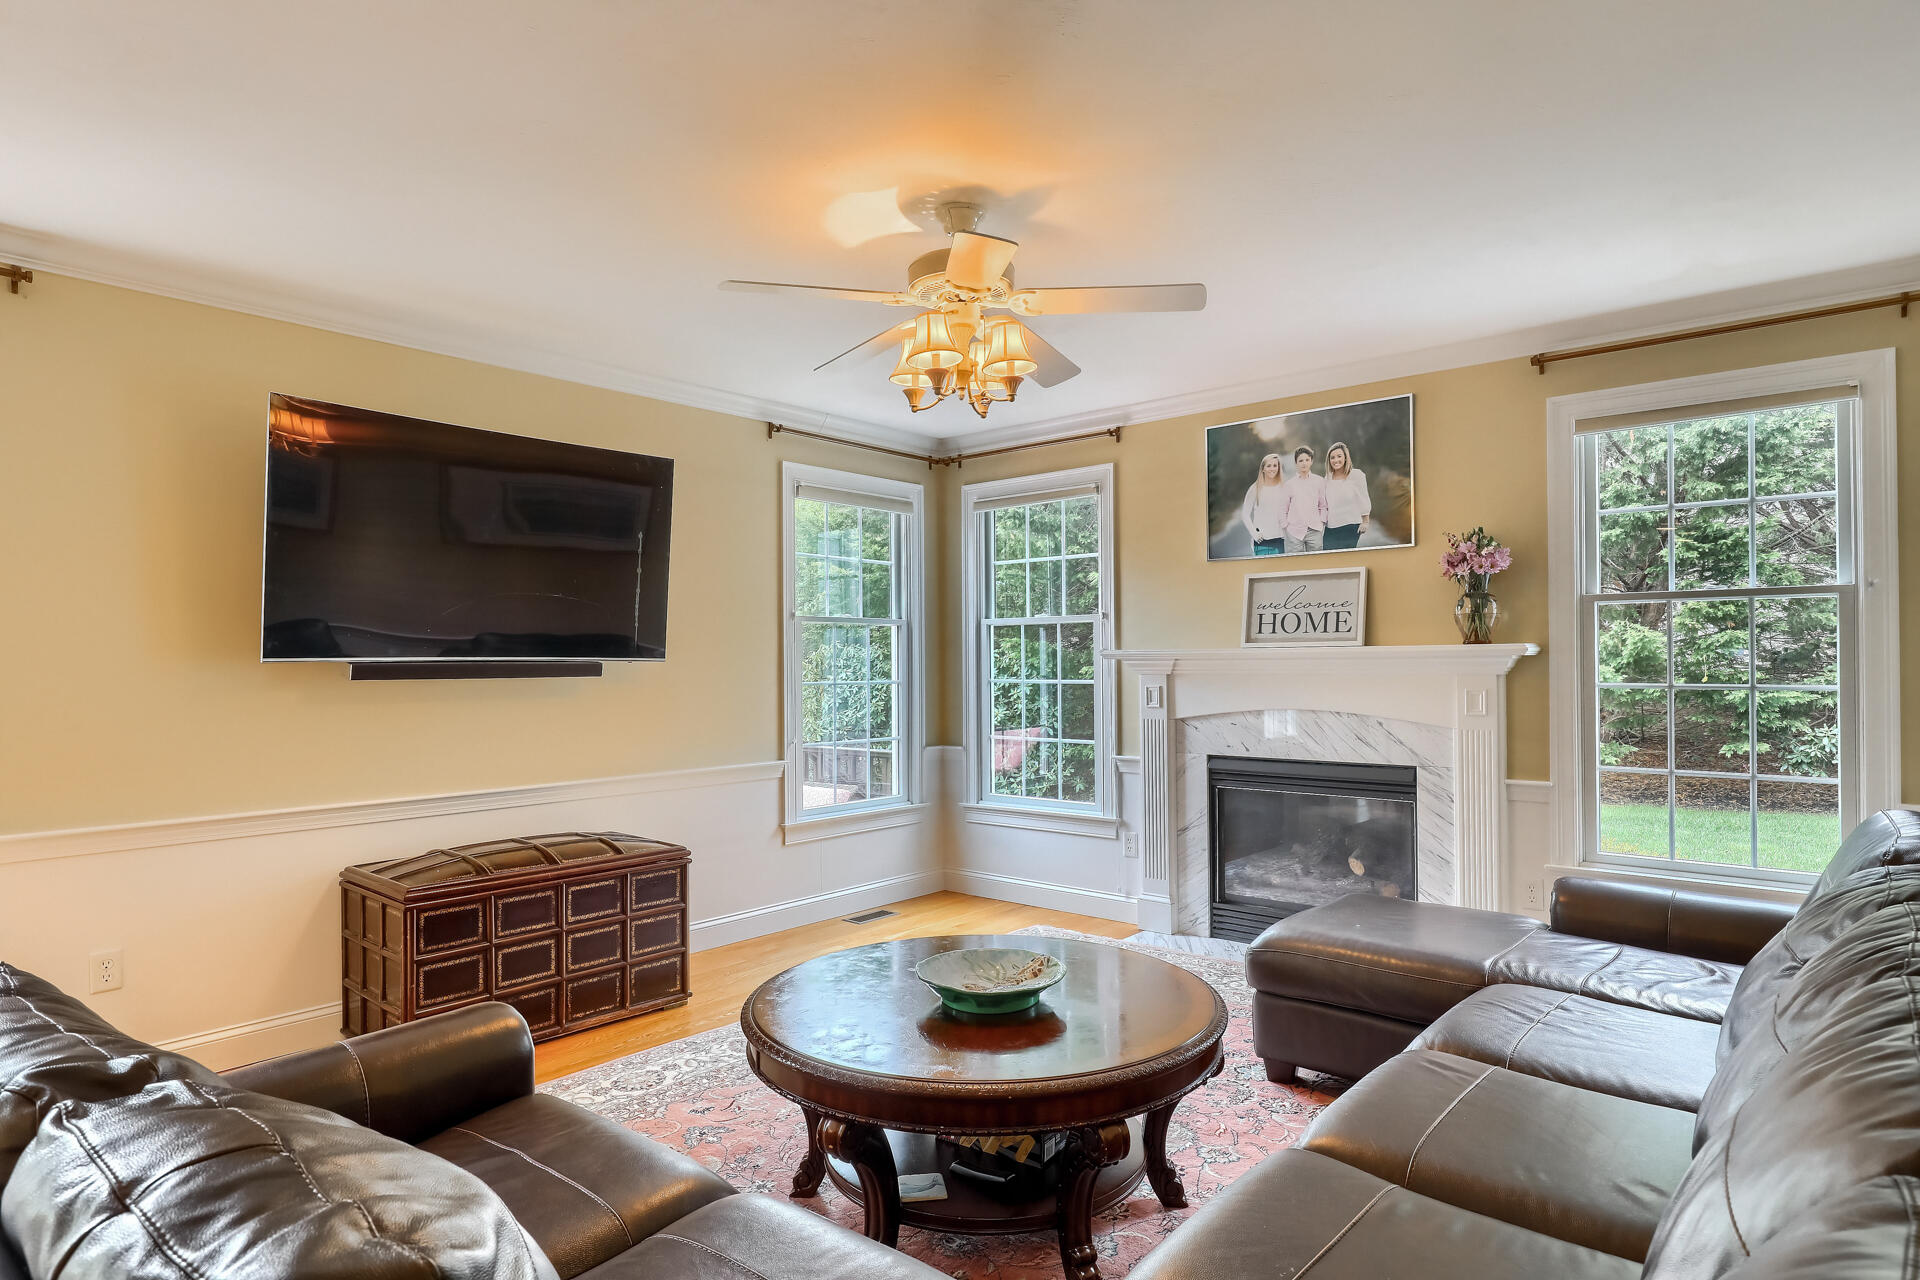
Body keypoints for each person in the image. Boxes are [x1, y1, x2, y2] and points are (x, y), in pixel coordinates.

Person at [1321, 441, 1371, 550]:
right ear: (1329, 460)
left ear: (1345, 457)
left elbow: (1363, 498)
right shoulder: (1327, 478)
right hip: (1331, 527)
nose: (1336, 460)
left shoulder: (1356, 475)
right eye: (1332, 457)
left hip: (1351, 526)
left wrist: (1366, 521)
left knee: (1345, 559)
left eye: (1339, 456)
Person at [1278, 445, 1328, 554]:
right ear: (1296, 463)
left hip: (1315, 530)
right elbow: (1283, 509)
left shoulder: (1319, 481)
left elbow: (1323, 505)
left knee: (1316, 562)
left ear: (1311, 461)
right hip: (1294, 531)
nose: (1304, 463)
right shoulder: (1289, 485)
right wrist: (1285, 527)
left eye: (1307, 460)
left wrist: (1322, 522)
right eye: (1300, 460)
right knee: (1295, 564)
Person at [1238, 452, 1288, 555]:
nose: (1272, 469)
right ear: (1263, 469)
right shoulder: (1255, 488)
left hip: (1281, 539)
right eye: (1268, 466)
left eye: (1275, 465)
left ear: (1278, 467)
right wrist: (1254, 533)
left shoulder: (1284, 487)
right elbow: (1245, 514)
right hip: (1262, 542)